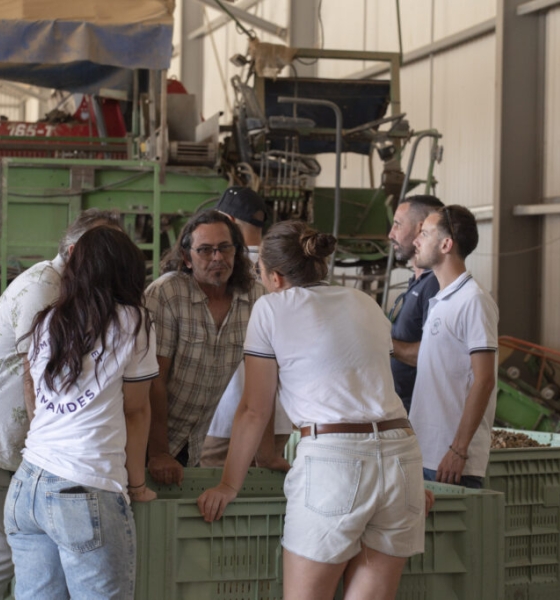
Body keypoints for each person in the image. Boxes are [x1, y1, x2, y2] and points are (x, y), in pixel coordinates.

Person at [197, 220, 429, 600]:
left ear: (273, 276)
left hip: (336, 462)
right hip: (403, 456)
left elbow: (255, 408)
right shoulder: (364, 302)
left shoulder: (271, 309)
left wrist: (228, 484)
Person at [0, 209, 119, 600]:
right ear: (73, 252)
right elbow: (31, 375)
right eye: (101, 251)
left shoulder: (69, 289)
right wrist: (46, 450)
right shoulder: (46, 285)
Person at [4, 226, 158, 599]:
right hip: (84, 485)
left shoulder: (48, 319)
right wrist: (136, 485)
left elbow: (35, 395)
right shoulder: (134, 322)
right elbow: (136, 411)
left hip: (28, 487)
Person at [144, 209, 264, 485]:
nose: (218, 257)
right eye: (206, 250)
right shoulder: (167, 294)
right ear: (187, 258)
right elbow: (154, 381)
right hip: (144, 440)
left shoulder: (256, 298)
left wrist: (265, 454)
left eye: (225, 248)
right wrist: (159, 452)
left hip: (193, 443)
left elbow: (264, 382)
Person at [403, 205, 498, 489]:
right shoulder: (442, 300)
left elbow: (485, 379)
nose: (416, 241)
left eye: (425, 234)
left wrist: (458, 450)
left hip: (451, 461)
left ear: (446, 244)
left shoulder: (473, 301)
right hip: (426, 454)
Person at [202, 187, 292, 468]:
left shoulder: (215, 267)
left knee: (213, 504)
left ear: (227, 220)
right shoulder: (287, 270)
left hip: (226, 417)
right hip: (278, 418)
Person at [387, 195, 444, 413]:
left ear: (421, 229)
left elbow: (434, 355)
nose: (390, 234)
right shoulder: (416, 283)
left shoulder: (433, 286)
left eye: (397, 224)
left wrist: (380, 342)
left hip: (419, 413)